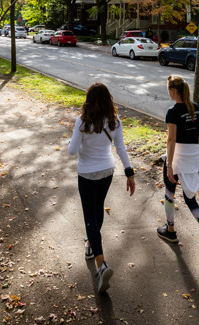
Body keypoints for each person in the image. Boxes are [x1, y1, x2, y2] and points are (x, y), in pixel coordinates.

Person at [68, 83, 136, 293]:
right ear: (109, 100)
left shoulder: (82, 121)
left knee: (90, 216)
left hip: (87, 173)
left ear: (88, 100)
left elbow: (71, 150)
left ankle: (101, 263)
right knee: (98, 210)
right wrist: (129, 172)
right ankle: (91, 246)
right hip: (107, 171)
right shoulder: (115, 121)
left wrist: (81, 144)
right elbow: (121, 148)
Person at [157, 75, 199, 262]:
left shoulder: (173, 111)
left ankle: (170, 231)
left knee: (169, 193)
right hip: (194, 156)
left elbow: (171, 139)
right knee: (190, 198)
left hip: (178, 156)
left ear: (172, 91)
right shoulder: (196, 108)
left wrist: (170, 165)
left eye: (168, 89)